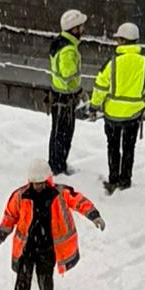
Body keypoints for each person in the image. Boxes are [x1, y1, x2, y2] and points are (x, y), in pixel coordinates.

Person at [0, 170, 100, 290]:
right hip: (27, 247)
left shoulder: (59, 193)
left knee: (46, 277)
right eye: (36, 183)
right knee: (23, 279)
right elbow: (10, 217)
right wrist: (0, 237)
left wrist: (94, 216)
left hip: (48, 247)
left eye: (41, 183)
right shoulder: (20, 196)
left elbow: (79, 201)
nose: (38, 186)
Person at [94, 20, 145, 194]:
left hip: (112, 114)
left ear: (123, 40)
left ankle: (113, 178)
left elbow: (101, 86)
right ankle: (125, 180)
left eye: (118, 39)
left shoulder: (112, 62)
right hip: (133, 115)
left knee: (113, 147)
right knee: (129, 147)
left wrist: (94, 105)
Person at [46, 9, 90, 174]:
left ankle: (56, 164)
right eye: (81, 26)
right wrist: (79, 90)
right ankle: (58, 166)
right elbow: (67, 75)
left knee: (58, 133)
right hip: (64, 97)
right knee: (64, 135)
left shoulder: (60, 42)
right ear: (74, 29)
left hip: (58, 95)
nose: (83, 29)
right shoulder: (68, 49)